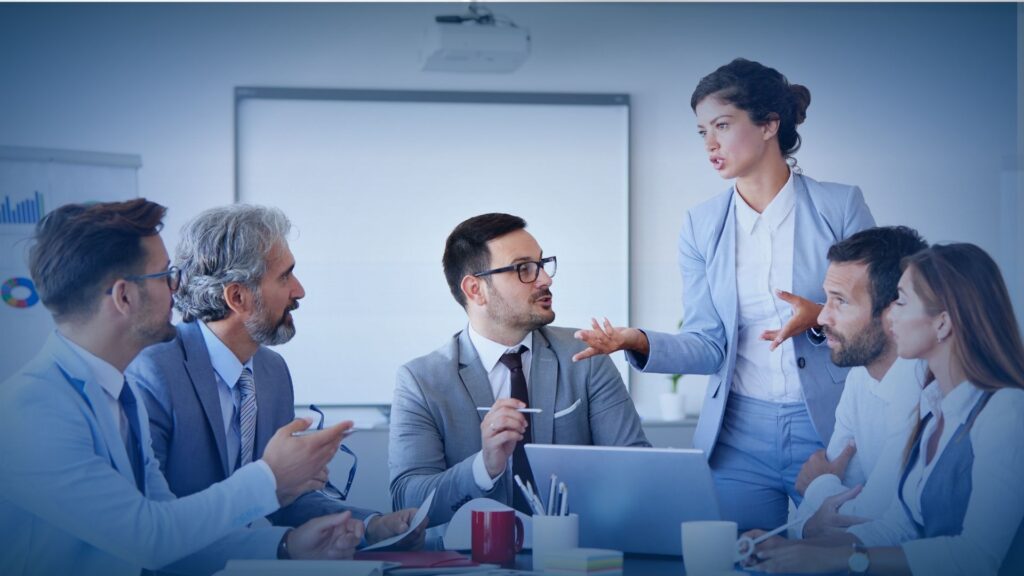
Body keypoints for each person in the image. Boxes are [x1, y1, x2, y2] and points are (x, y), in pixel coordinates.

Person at [574, 58, 875, 530]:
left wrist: (819, 316)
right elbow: (708, 344)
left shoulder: (839, 206)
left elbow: (881, 313)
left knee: (832, 554)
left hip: (830, 426)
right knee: (735, 557)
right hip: (737, 436)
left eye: (722, 125)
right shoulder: (701, 225)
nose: (709, 144)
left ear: (769, 125)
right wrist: (636, 340)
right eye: (702, 131)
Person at [0, 199, 363, 576]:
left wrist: (286, 546)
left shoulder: (119, 395)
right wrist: (270, 476)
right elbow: (147, 537)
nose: (179, 288)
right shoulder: (32, 410)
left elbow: (173, 533)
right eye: (165, 276)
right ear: (124, 297)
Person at [128, 204, 425, 552]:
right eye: (285, 277)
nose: (299, 291)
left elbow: (287, 499)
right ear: (237, 297)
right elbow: (156, 528)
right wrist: (283, 546)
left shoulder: (272, 371)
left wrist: (372, 526)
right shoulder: (153, 371)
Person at [749, 243, 1024, 575]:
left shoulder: (1006, 413)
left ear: (942, 324)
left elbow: (977, 559)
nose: (889, 315)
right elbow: (899, 530)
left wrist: (836, 558)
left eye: (901, 302)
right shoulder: (933, 409)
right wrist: (787, 547)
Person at [389, 213, 649, 526]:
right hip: (469, 552)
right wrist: (483, 467)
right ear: (475, 289)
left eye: (542, 264)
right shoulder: (421, 381)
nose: (545, 279)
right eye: (524, 268)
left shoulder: (586, 356)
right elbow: (408, 499)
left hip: (575, 546)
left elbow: (637, 469)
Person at [787, 226, 927, 539]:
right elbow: (827, 512)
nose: (822, 318)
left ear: (894, 310)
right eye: (826, 299)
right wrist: (803, 529)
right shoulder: (860, 377)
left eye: (841, 301)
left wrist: (819, 485)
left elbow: (874, 519)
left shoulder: (922, 388)